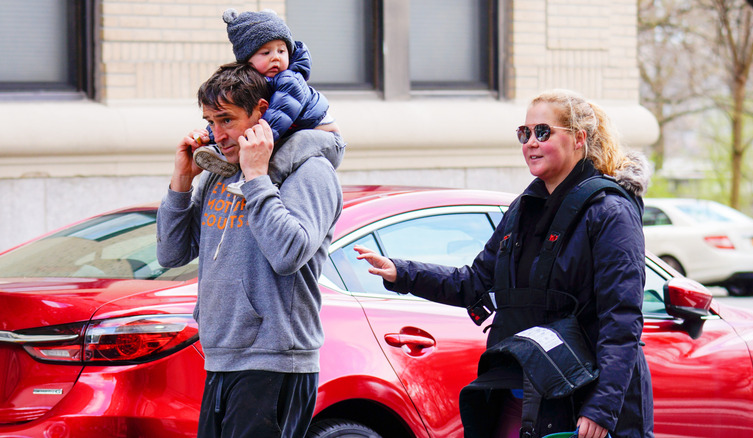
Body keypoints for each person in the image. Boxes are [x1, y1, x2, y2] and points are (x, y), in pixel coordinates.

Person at [355, 89, 654, 438]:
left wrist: (602, 409)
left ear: (578, 139)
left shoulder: (610, 212)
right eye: (524, 133)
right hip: (521, 390)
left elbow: (621, 320)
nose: (530, 142)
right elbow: (473, 283)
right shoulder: (520, 210)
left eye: (542, 132)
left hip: (585, 398)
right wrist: (402, 272)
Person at [157, 62, 343, 438]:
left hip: (275, 362)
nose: (217, 133)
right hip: (221, 357)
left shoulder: (311, 172)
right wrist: (181, 182)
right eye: (210, 121)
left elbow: (289, 253)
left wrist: (257, 177)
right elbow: (170, 254)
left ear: (260, 111)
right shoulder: (220, 175)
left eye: (227, 120)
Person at [192, 8, 341, 188]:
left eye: (281, 51)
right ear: (247, 59)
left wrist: (255, 144)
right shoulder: (256, 84)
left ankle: (261, 181)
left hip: (324, 138)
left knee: (285, 151)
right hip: (292, 133)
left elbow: (278, 117)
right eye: (266, 53)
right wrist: (209, 137)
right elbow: (232, 114)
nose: (276, 58)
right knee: (267, 144)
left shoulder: (289, 80)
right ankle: (219, 156)